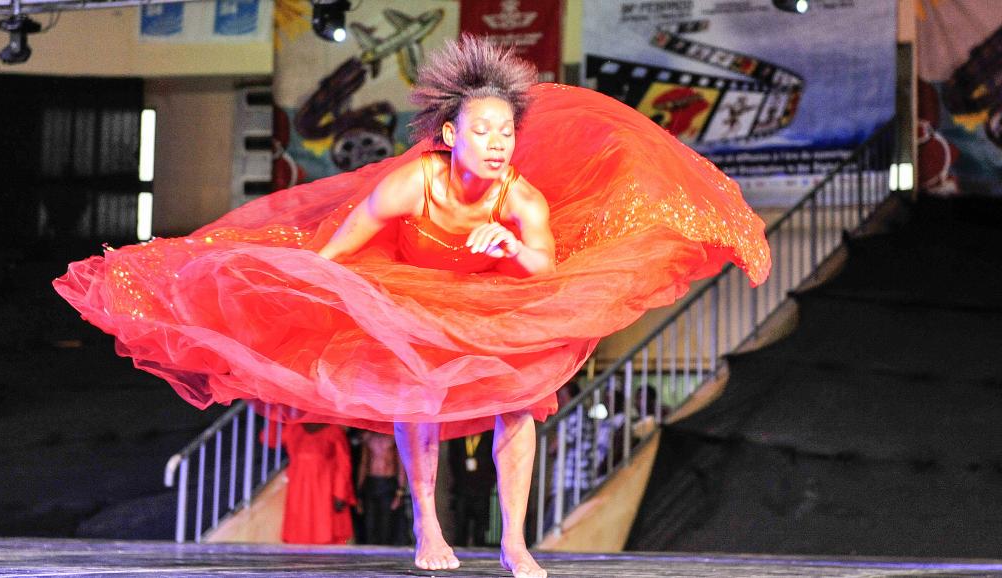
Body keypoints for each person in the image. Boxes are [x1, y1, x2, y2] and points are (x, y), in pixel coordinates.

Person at [54, 36, 770, 578]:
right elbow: (336, 251)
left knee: (520, 402)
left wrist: (510, 248)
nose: (498, 144)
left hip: (497, 299)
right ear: (451, 135)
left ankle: (515, 541)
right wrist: (294, 290)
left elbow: (547, 273)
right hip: (409, 292)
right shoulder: (408, 185)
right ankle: (427, 523)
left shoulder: (521, 199)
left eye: (507, 133)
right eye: (483, 131)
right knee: (416, 392)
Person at [279, 423, 356, 545]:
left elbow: (343, 465)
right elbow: (270, 439)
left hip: (323, 493)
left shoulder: (334, 432)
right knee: (299, 538)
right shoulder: (293, 429)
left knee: (323, 537)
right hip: (300, 492)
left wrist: (340, 493)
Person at [355, 431, 407, 545]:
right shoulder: (367, 437)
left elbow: (400, 464)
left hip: (388, 484)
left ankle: (385, 552)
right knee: (369, 524)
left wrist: (400, 492)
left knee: (386, 524)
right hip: (371, 483)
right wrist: (358, 493)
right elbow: (363, 464)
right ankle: (370, 552)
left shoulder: (394, 438)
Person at [448, 433, 497, 547]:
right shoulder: (458, 437)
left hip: (482, 489)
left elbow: (493, 462)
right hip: (462, 488)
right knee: (460, 525)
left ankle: (480, 549)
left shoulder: (489, 437)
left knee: (481, 527)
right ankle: (459, 549)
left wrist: (490, 483)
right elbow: (452, 461)